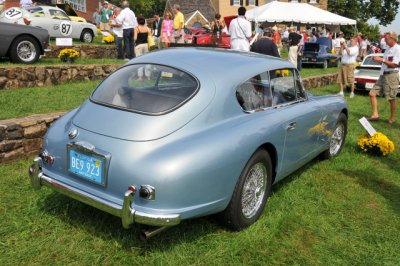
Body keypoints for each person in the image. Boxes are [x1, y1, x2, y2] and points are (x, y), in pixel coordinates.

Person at [368, 31, 400, 124]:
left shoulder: (397, 49)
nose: (384, 41)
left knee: (391, 98)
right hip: (383, 74)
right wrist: (378, 60)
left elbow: (394, 64)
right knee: (372, 93)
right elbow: (386, 62)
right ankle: (375, 115)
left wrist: (381, 59)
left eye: (386, 39)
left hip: (391, 75)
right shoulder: (388, 49)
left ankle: (392, 118)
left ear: (393, 39)